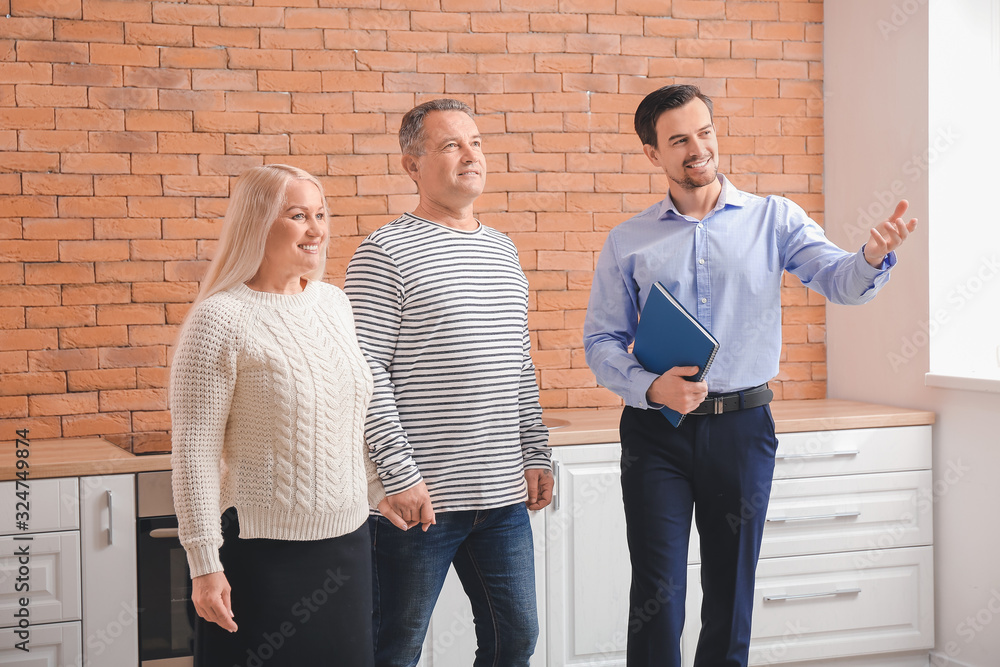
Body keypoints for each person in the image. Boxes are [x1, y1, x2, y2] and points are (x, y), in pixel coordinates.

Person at [583, 84, 917, 667]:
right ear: (652, 153)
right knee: (657, 592)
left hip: (741, 430)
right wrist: (649, 385)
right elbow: (602, 342)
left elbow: (838, 280)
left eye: (705, 132)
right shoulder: (627, 241)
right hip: (655, 433)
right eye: (679, 139)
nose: (698, 148)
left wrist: (868, 257)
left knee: (731, 591)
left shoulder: (774, 218)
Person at [170, 164, 407, 666]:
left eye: (321, 215)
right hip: (262, 556)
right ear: (257, 224)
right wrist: (204, 565)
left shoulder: (333, 304)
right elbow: (195, 454)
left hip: (346, 547)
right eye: (298, 215)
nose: (316, 228)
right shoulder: (220, 318)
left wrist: (376, 489)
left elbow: (346, 416)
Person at [344, 98, 554, 667]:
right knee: (392, 649)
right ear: (412, 165)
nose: (470, 155)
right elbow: (365, 375)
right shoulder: (383, 253)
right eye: (450, 145)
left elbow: (518, 364)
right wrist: (399, 475)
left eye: (476, 142)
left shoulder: (502, 250)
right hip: (420, 503)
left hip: (503, 494)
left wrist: (535, 451)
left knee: (516, 640)